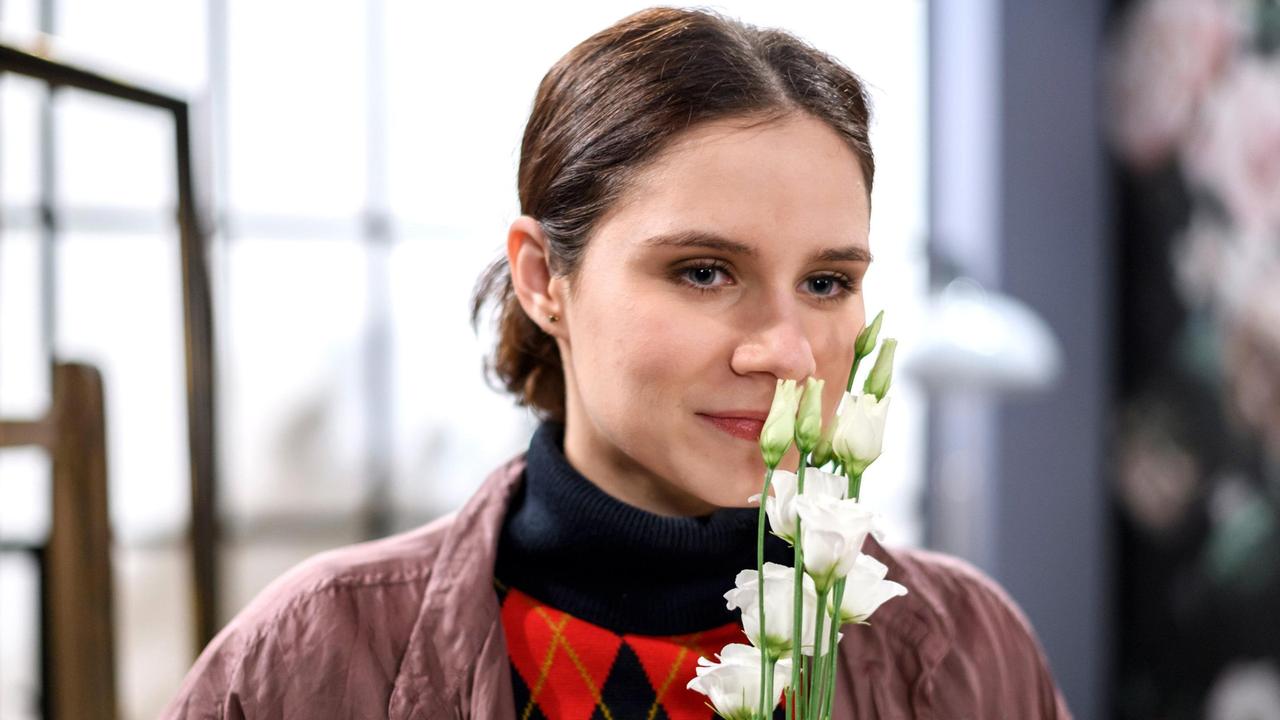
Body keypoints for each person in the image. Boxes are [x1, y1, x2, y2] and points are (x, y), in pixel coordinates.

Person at [163, 7, 1072, 719]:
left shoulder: (964, 655)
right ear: (542, 279)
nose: (788, 351)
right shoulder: (318, 653)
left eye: (828, 281)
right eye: (705, 272)